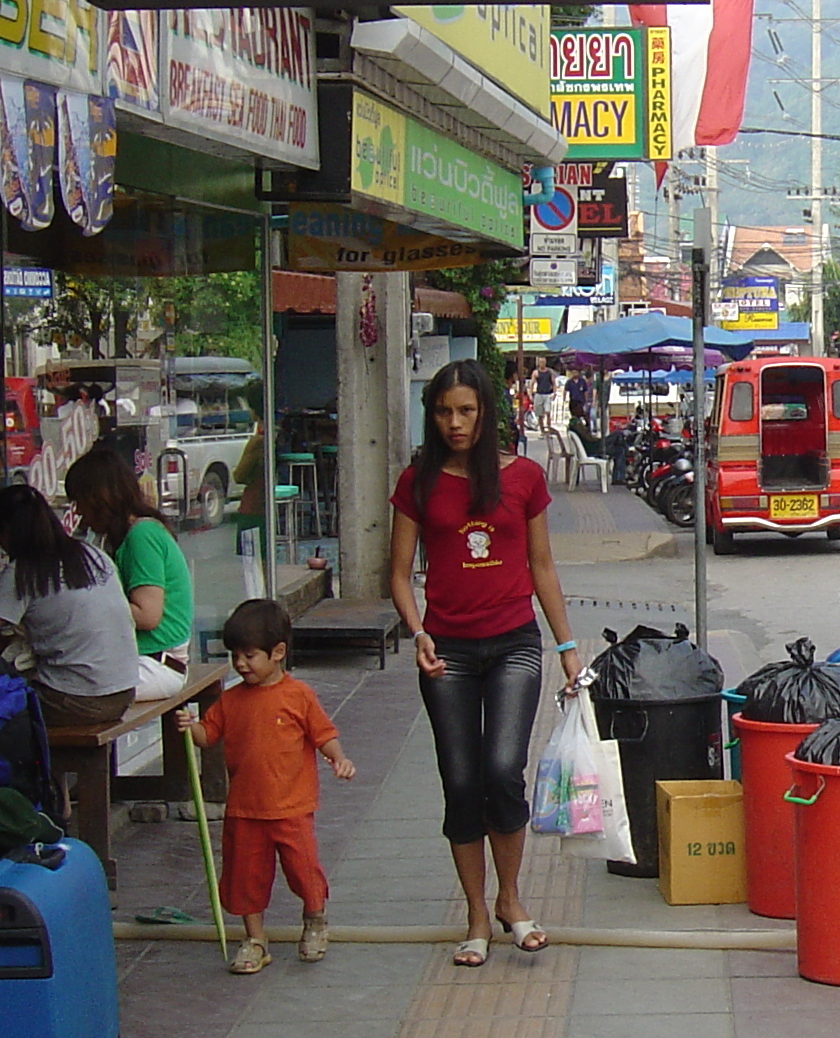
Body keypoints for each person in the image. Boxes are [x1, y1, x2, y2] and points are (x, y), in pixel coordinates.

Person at [388, 360, 582, 968]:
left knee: (503, 769)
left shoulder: (523, 477)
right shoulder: (416, 482)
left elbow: (543, 566)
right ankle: (476, 914)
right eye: (444, 411)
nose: (455, 422)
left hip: (515, 644)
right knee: (461, 780)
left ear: (486, 412)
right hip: (444, 650)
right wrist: (417, 631)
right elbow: (397, 574)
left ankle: (512, 900)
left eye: (466, 410)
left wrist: (567, 647)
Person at [194, 597, 355, 974]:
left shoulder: (298, 696)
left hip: (291, 806)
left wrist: (339, 757)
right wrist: (190, 728)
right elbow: (207, 735)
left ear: (278, 652)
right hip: (244, 808)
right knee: (244, 875)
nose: (240, 664)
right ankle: (254, 939)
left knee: (303, 868)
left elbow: (323, 735)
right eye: (235, 655)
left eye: (249, 655)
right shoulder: (229, 700)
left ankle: (315, 919)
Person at [0, 483, 139, 729]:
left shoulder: (25, 570)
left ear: (7, 532)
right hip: (123, 691)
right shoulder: (91, 554)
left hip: (75, 700)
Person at [65, 444, 194, 695]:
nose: (78, 512)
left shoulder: (142, 536)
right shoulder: (121, 537)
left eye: (79, 502)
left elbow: (147, 615)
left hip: (156, 664)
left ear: (99, 498)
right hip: (141, 659)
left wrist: (86, 608)